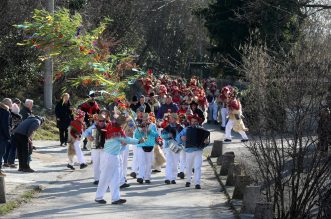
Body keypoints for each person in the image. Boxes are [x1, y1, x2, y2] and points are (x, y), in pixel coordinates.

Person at [94, 115, 144, 205]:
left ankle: (115, 198)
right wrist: (138, 141)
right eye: (123, 123)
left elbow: (123, 141)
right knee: (105, 177)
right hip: (109, 156)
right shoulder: (115, 130)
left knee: (116, 178)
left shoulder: (115, 127)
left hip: (115, 155)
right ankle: (98, 197)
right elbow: (126, 139)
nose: (123, 125)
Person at [176, 114, 209, 189]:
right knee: (189, 167)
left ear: (198, 122)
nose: (193, 123)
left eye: (195, 121)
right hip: (189, 151)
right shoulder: (186, 129)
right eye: (192, 121)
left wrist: (206, 142)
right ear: (190, 122)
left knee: (197, 167)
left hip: (198, 150)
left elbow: (206, 141)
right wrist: (181, 137)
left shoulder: (202, 129)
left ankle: (197, 183)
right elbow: (178, 137)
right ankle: (188, 181)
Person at [134, 113, 159, 184]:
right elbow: (136, 136)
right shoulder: (139, 126)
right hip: (141, 146)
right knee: (141, 162)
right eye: (144, 119)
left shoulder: (153, 125)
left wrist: (150, 131)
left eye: (147, 119)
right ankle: (140, 177)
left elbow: (156, 135)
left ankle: (147, 177)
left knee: (149, 162)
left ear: (149, 119)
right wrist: (141, 131)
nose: (145, 121)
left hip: (150, 145)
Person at [83, 114, 108, 185]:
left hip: (105, 148)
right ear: (97, 121)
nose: (101, 122)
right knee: (96, 163)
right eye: (100, 121)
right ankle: (97, 179)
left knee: (104, 164)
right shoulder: (93, 127)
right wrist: (89, 136)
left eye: (103, 121)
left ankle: (103, 179)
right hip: (95, 147)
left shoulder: (108, 127)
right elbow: (85, 133)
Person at [162, 113, 184, 184]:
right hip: (169, 145)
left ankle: (173, 178)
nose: (170, 119)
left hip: (177, 145)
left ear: (175, 119)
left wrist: (179, 137)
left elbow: (183, 137)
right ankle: (167, 178)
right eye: (170, 118)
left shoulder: (180, 127)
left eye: (171, 118)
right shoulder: (167, 127)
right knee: (169, 162)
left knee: (175, 162)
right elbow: (162, 135)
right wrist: (168, 135)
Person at [0, 98, 12, 176]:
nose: (12, 105)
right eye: (11, 103)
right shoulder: (5, 112)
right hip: (2, 136)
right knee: (1, 152)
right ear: (7, 104)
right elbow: (5, 126)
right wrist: (8, 136)